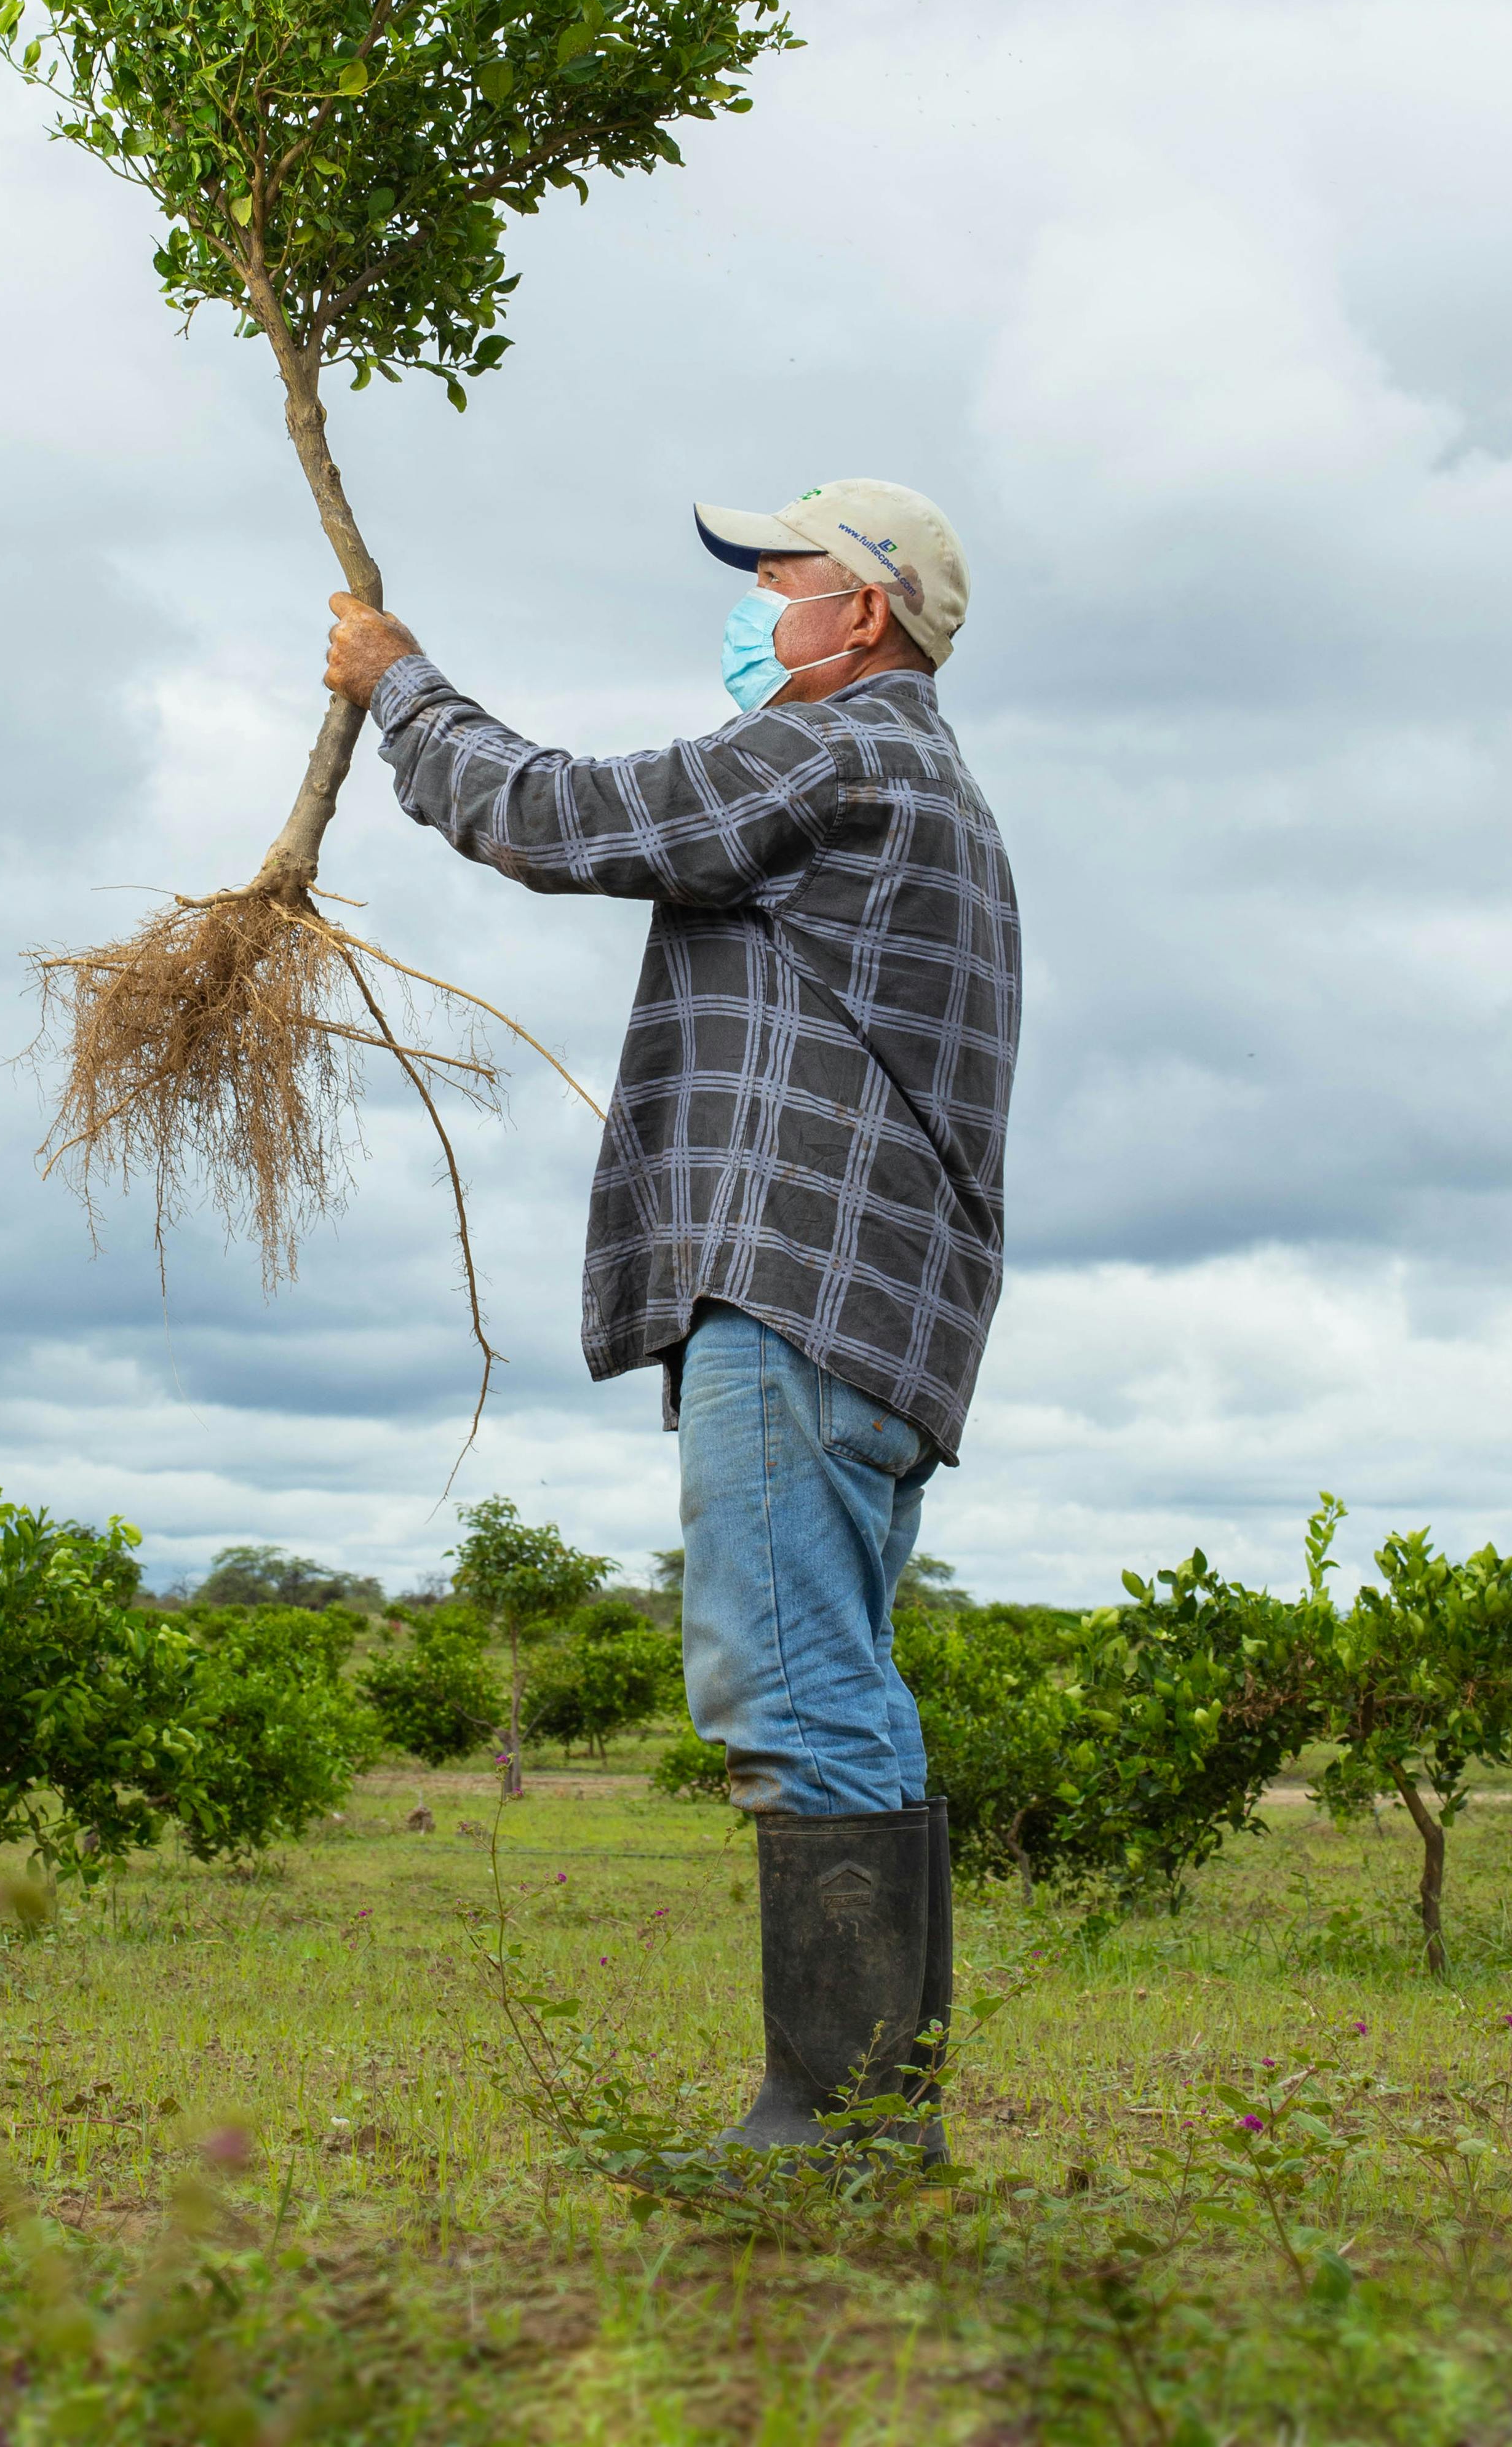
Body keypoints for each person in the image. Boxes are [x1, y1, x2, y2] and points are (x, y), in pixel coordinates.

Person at [322, 477, 1021, 2152]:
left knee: (787, 1689)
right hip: (879, 1305)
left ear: (861, 614)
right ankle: (877, 2120)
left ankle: (839, 2125)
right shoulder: (924, 780)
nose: (753, 597)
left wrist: (396, 685)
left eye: (777, 571)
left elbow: (558, 816)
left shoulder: (841, 749)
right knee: (841, 1679)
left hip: (800, 1287)